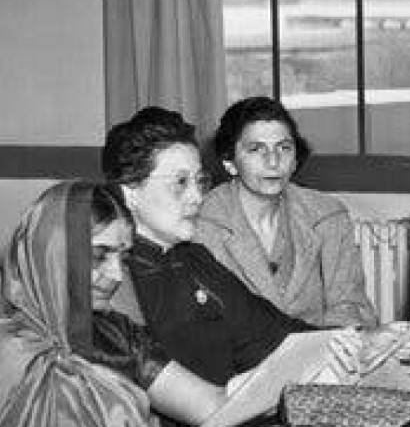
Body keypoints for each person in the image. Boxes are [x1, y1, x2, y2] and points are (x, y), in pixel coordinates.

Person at [0, 182, 225, 427]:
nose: (117, 275)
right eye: (99, 256)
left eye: (122, 257)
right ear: (54, 254)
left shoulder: (113, 333)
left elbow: (212, 404)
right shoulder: (12, 354)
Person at [102, 107, 367, 389]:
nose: (196, 197)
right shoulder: (114, 282)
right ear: (130, 192)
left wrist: (363, 341)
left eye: (199, 181)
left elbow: (272, 332)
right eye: (180, 182)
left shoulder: (193, 259)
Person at [196, 97, 377, 328]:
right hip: (240, 360)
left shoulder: (327, 215)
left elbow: (351, 307)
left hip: (322, 353)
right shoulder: (203, 224)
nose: (273, 161)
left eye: (284, 148)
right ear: (229, 162)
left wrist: (323, 350)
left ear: (295, 160)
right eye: (255, 149)